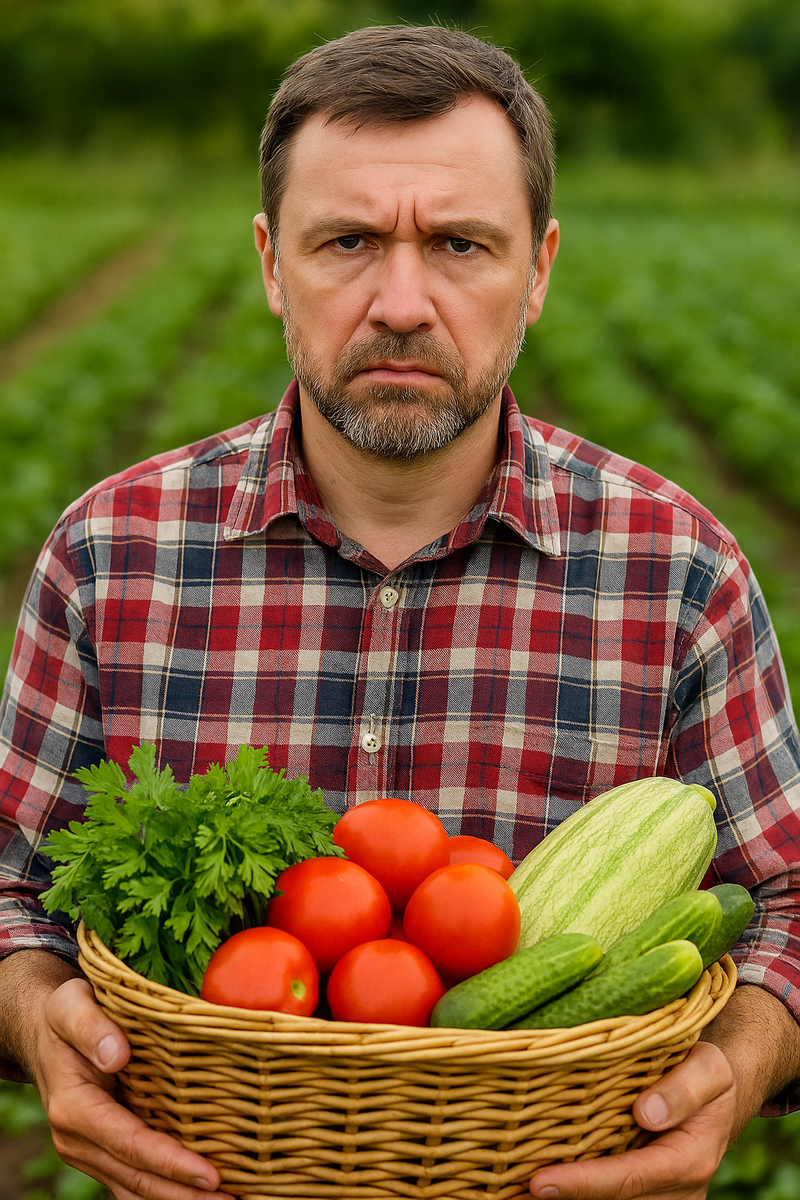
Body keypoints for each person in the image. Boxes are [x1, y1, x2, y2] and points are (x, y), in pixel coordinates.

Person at [1, 22, 799, 1200]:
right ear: (273, 264)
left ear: (538, 269)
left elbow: (782, 896)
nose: (401, 301)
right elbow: (14, 884)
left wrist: (734, 1070)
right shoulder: (109, 555)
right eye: (349, 241)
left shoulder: (678, 568)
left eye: (462, 244)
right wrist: (37, 1027)